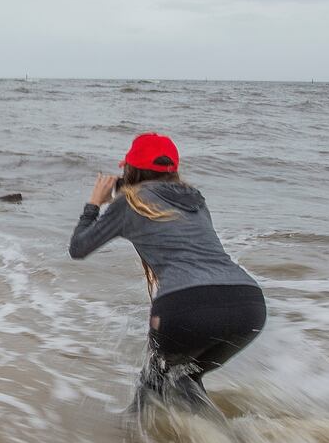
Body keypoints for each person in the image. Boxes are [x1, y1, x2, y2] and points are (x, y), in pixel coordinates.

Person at [68, 132, 266, 411]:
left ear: (130, 169)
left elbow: (78, 247)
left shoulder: (131, 201)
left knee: (153, 386)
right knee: (186, 379)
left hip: (187, 306)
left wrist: (94, 204)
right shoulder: (196, 200)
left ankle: (136, 442)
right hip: (248, 306)